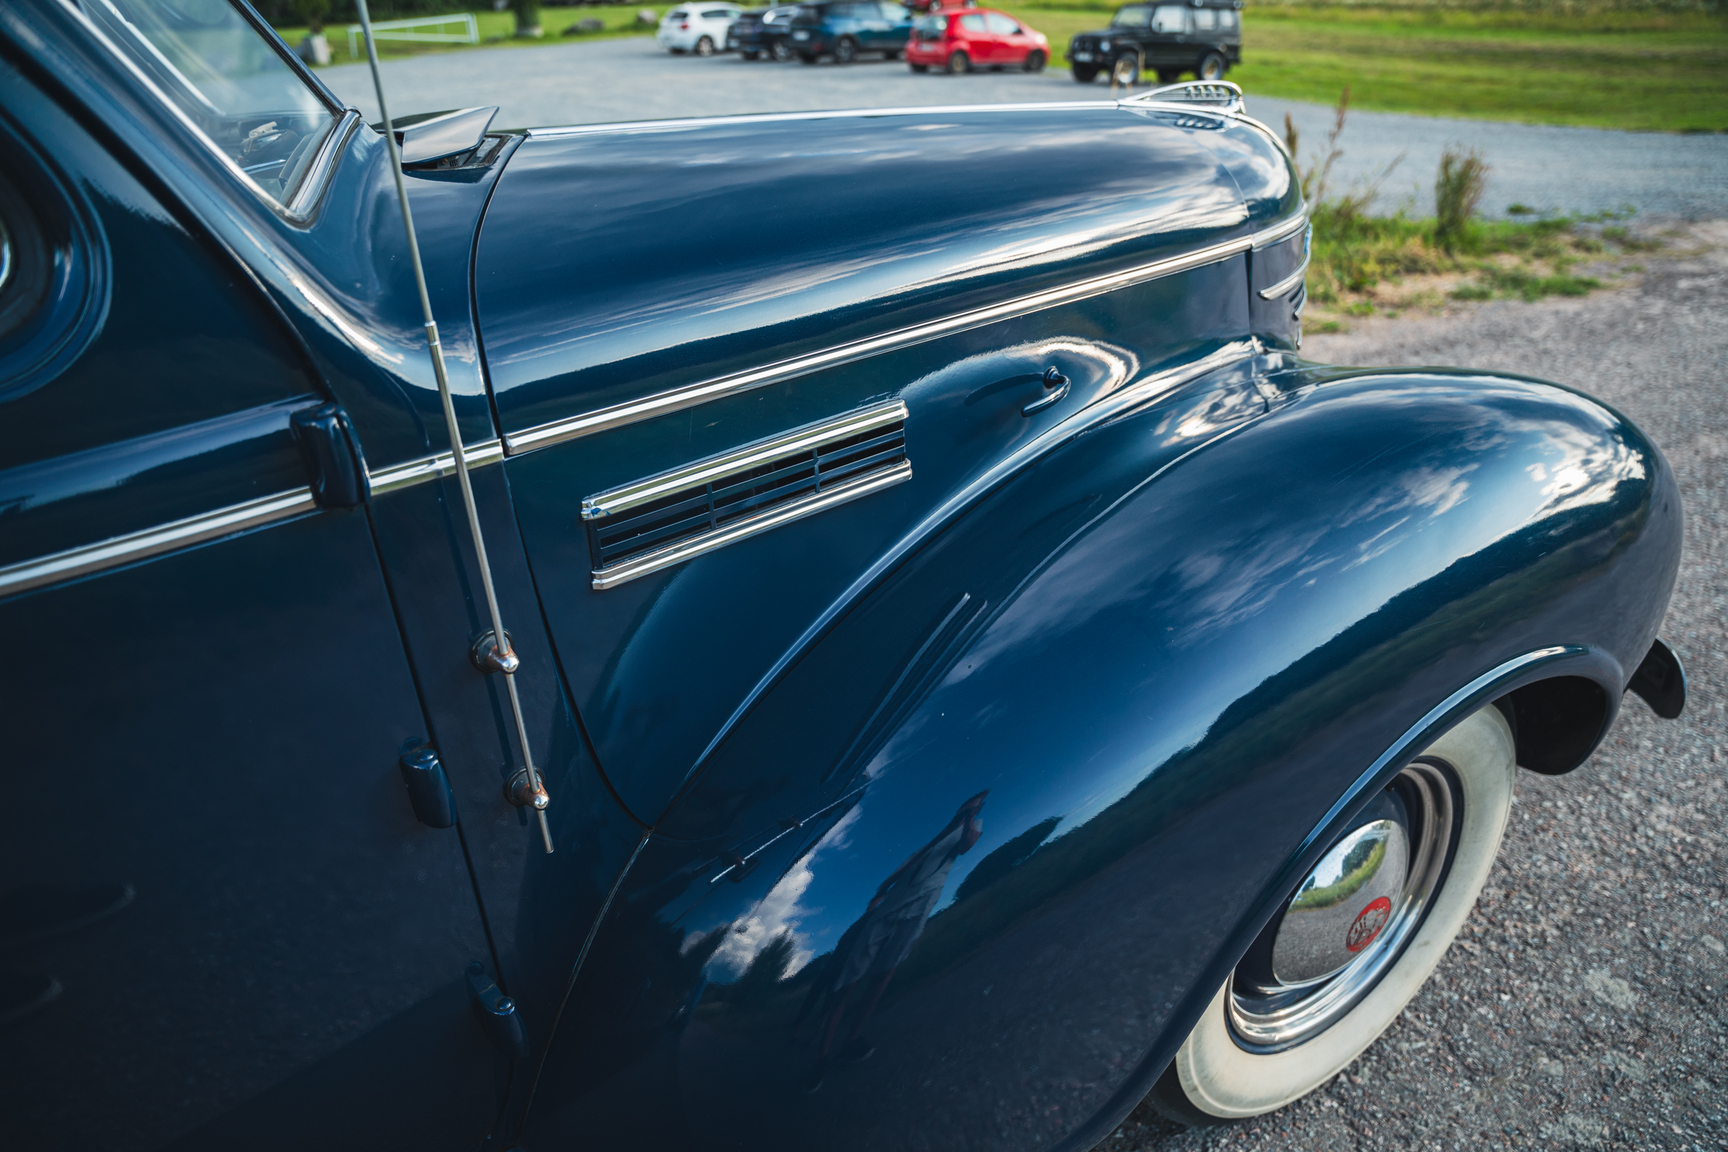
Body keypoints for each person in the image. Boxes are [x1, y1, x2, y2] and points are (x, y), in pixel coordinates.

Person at [806, 791, 987, 1091]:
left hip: (920, 903)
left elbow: (967, 846)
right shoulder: (935, 835)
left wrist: (968, 818)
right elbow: (903, 868)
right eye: (969, 803)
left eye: (977, 805)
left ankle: (851, 1039)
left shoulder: (971, 826)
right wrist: (880, 893)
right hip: (891, 905)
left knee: (885, 972)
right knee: (850, 977)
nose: (972, 807)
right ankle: (821, 1057)